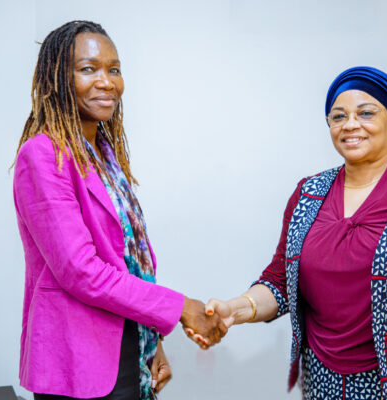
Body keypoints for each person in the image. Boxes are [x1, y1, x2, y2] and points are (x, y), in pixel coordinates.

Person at [197, 66, 387, 400]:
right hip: (324, 385)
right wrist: (235, 309)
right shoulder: (308, 194)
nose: (350, 124)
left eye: (366, 113)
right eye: (338, 116)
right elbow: (282, 280)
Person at [12, 20, 226, 400]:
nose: (106, 82)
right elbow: (81, 271)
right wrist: (180, 307)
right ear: (58, 79)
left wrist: (151, 339)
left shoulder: (105, 156)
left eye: (114, 70)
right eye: (88, 69)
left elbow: (128, 262)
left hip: (127, 349)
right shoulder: (43, 154)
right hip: (77, 363)